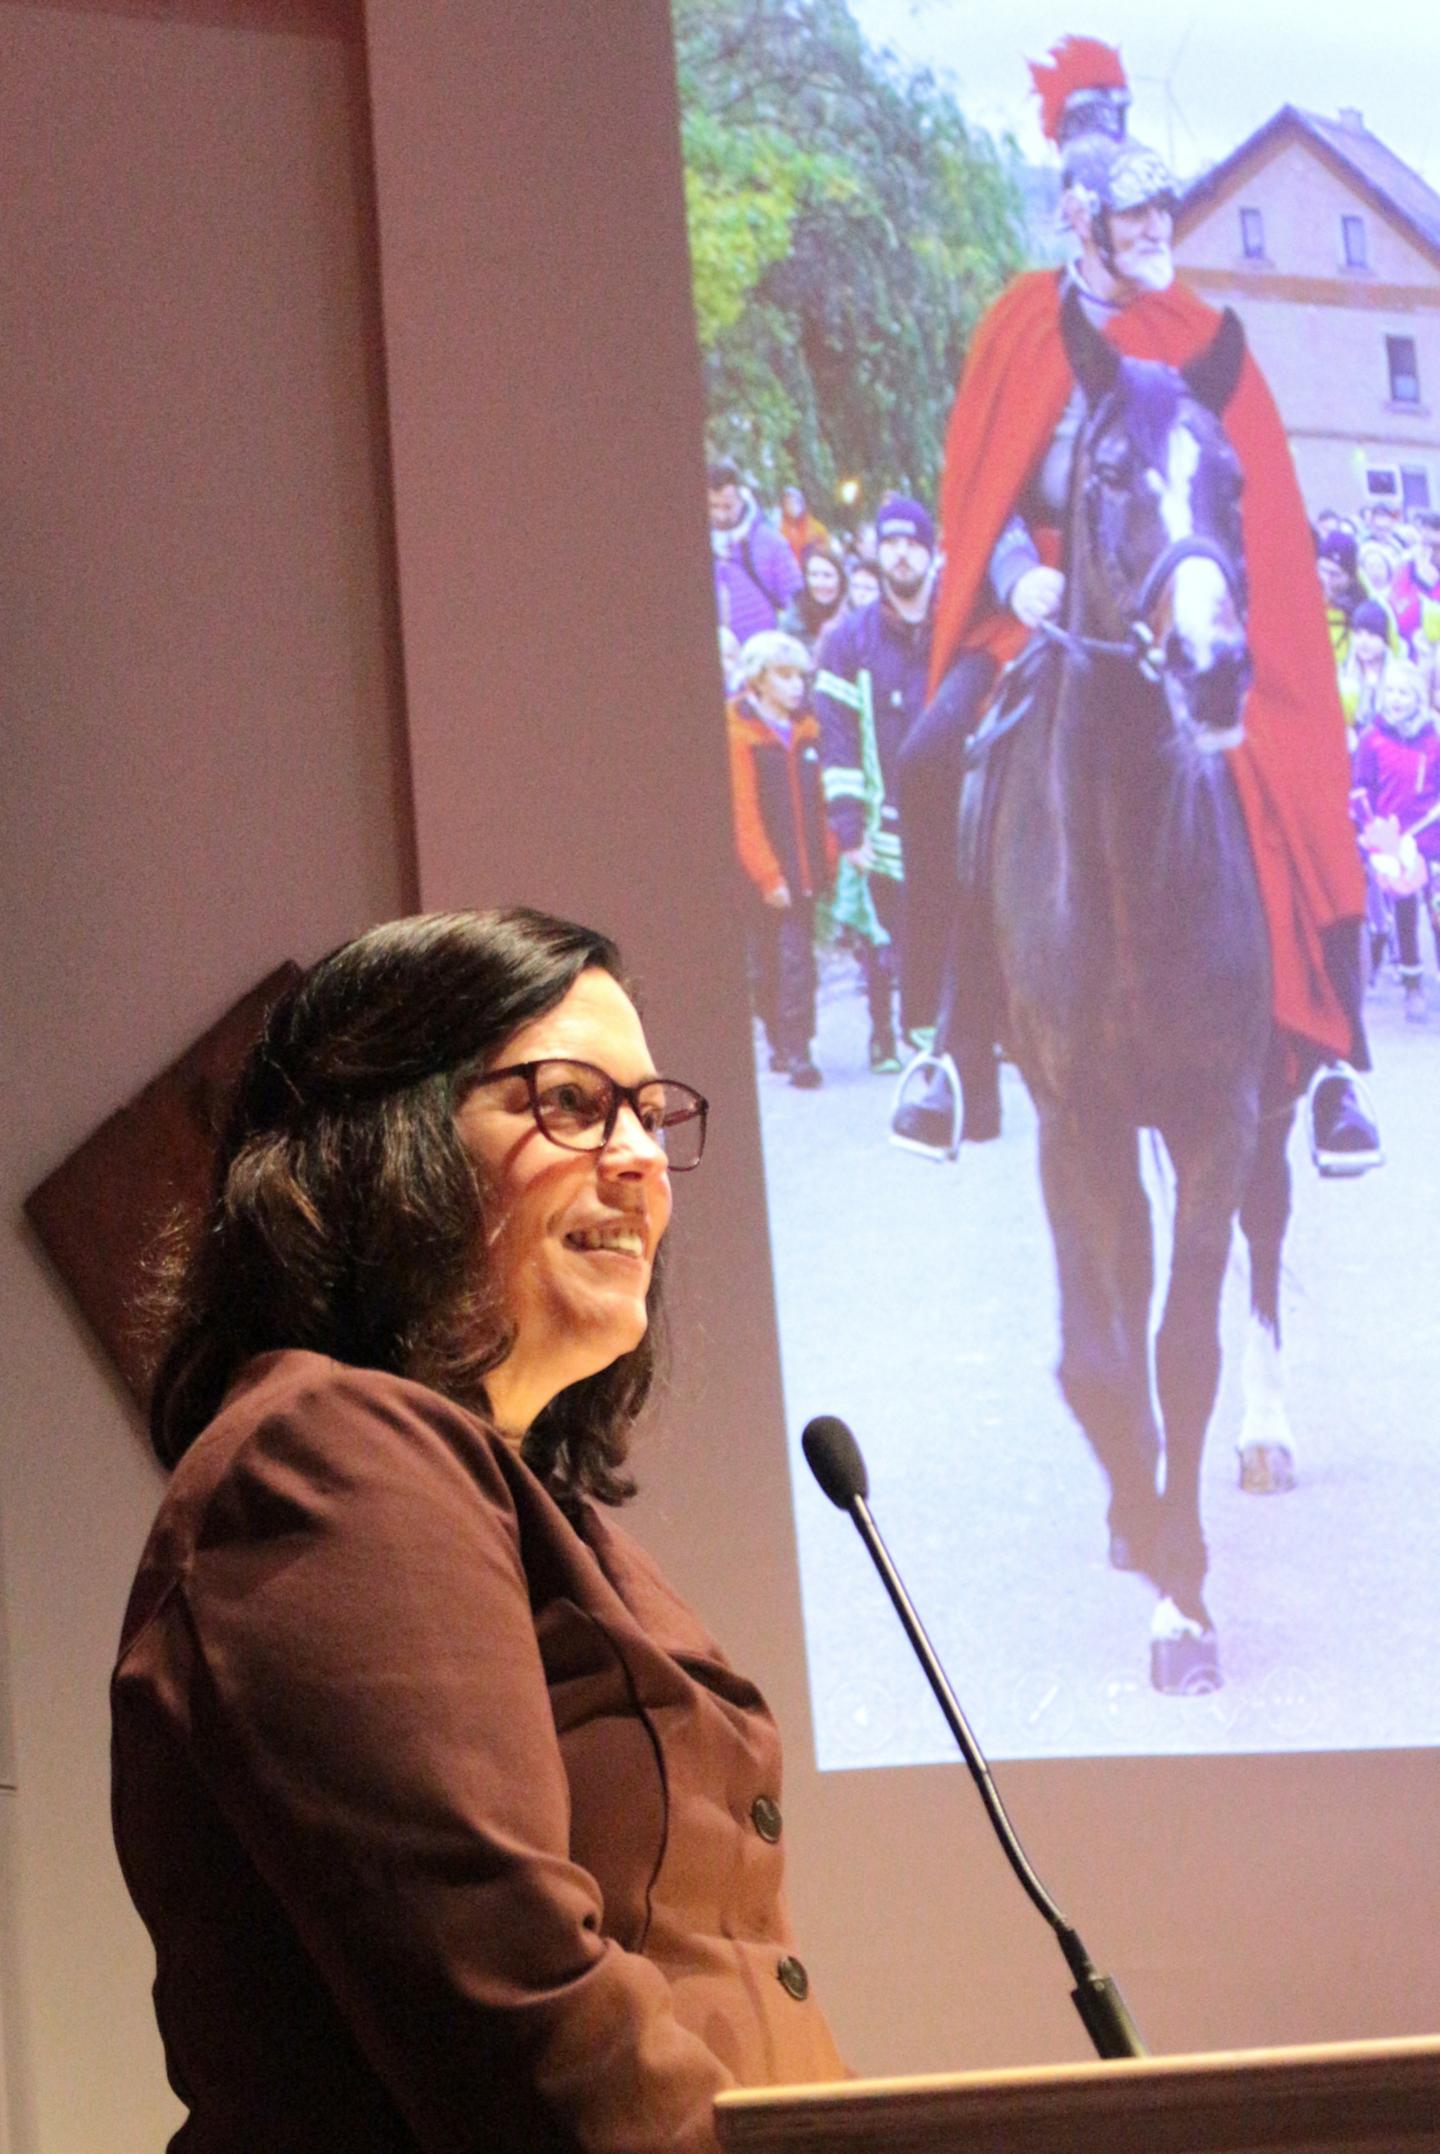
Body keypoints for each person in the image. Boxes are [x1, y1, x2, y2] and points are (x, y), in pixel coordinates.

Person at [111, 909, 844, 2153]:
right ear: (388, 1139)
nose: (640, 1159)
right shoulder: (326, 1453)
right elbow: (514, 2001)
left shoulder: (530, 1507)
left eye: (650, 1116)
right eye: (572, 1104)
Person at [893, 36, 1381, 1176]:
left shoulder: (1200, 340)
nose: (1160, 231)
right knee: (926, 759)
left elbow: (1242, 506)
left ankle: (1328, 1063)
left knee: (1288, 768)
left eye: (1165, 211)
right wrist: (1013, 576)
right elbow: (978, 486)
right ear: (1082, 223)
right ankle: (948, 1041)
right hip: (1042, 613)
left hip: (1170, 614)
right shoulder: (1020, 327)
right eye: (1138, 217)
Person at [814, 494, 939, 1071]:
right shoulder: (849, 641)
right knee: (901, 941)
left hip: (954, 821)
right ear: (877, 552)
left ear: (930, 551)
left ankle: (953, 1044)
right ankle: (913, 1045)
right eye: (891, 542)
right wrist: (848, 826)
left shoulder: (954, 624)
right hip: (886, 833)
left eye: (913, 542)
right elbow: (836, 737)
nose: (902, 553)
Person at [727, 631, 830, 1086]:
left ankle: (798, 1048)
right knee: (764, 964)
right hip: (759, 874)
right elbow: (743, 812)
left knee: (797, 961)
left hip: (803, 869)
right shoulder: (740, 732)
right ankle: (777, 1039)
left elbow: (822, 801)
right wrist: (768, 875)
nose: (796, 687)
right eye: (784, 677)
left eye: (800, 677)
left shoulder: (809, 729)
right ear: (759, 679)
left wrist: (828, 858)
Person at [1353, 662, 1440, 1022]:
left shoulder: (1434, 739)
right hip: (1393, 842)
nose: (1396, 699)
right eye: (1390, 691)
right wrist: (1372, 827)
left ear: (1418, 697)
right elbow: (1360, 789)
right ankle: (1412, 984)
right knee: (1404, 914)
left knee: (1437, 910)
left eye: (1404, 693)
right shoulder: (1371, 739)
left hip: (1432, 840)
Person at [708, 457, 803, 647]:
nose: (720, 515)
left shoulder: (770, 542)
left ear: (741, 497)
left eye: (727, 506)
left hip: (764, 654)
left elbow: (797, 604)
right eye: (712, 506)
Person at [780, 541, 850, 658]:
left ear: (841, 579)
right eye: (813, 575)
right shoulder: (793, 616)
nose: (820, 583)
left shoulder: (853, 613)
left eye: (827, 575)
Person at [778, 485, 830, 563]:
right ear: (783, 507)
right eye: (788, 503)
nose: (792, 506)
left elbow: (826, 547)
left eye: (796, 501)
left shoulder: (815, 527)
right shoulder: (780, 532)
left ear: (802, 504)